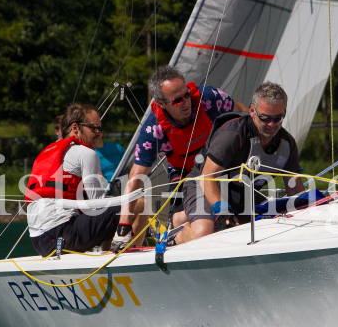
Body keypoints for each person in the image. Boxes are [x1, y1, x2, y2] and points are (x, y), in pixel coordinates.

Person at [111, 65, 246, 252]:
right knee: (193, 225)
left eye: (186, 95)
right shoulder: (154, 130)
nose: (185, 103)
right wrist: (123, 225)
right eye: (176, 101)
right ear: (160, 104)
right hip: (185, 175)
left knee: (239, 214)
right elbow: (136, 177)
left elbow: (243, 115)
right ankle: (173, 235)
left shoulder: (209, 98)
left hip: (221, 167)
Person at [176, 82, 305, 244]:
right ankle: (175, 237)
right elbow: (207, 177)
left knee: (268, 230)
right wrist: (221, 211)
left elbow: (296, 191)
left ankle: (185, 216)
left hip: (242, 195)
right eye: (265, 118)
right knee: (205, 233)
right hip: (203, 185)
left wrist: (311, 210)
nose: (272, 125)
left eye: (277, 118)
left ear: (284, 112)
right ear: (252, 111)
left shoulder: (287, 144)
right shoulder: (232, 134)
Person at [25, 103, 119, 257]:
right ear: (75, 128)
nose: (99, 134)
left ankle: (107, 253)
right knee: (128, 207)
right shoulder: (86, 153)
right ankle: (115, 255)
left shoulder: (48, 151)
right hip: (62, 234)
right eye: (94, 128)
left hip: (39, 241)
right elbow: (98, 204)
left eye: (100, 129)